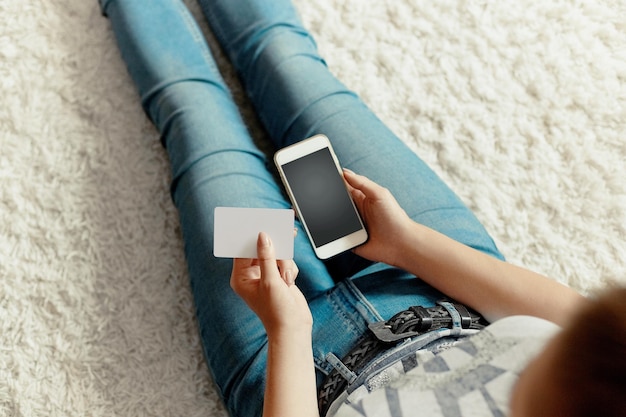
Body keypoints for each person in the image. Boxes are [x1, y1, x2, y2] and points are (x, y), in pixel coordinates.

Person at [98, 1, 626, 416]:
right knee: (287, 62)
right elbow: (566, 316)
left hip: (299, 363)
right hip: (439, 281)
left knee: (196, 117)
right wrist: (408, 243)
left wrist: (286, 329)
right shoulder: (603, 366)